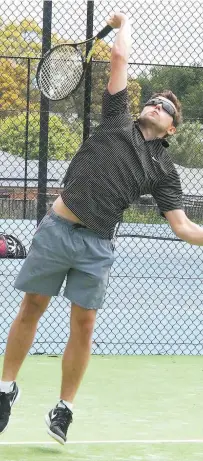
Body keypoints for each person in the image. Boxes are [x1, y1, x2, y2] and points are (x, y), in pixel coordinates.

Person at [0, 11, 203, 445]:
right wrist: (124, 23)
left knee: (84, 324)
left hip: (97, 246)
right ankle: (4, 390)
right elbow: (118, 59)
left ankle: (64, 408)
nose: (156, 105)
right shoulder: (117, 119)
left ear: (172, 126)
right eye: (153, 100)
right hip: (57, 228)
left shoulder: (165, 171)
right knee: (31, 307)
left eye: (166, 107)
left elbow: (184, 227)